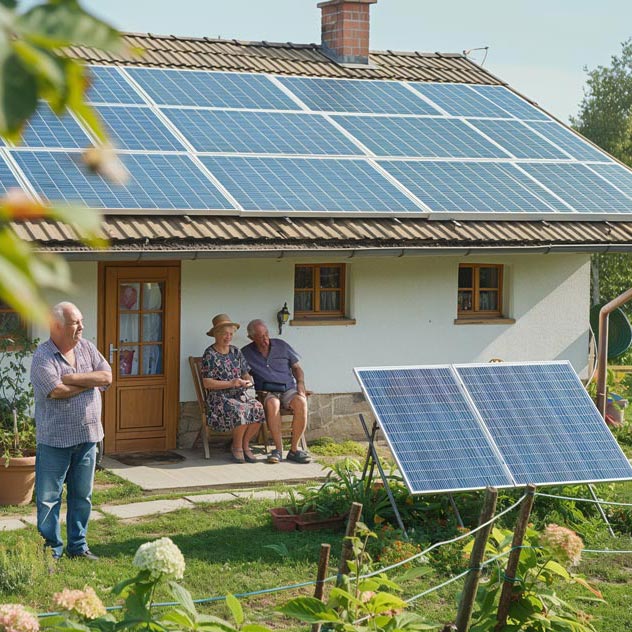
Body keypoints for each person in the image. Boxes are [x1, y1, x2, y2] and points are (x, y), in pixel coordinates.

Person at [30, 302, 112, 560]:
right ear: (56, 326)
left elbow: (107, 376)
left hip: (88, 437)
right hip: (55, 440)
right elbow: (56, 391)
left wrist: (73, 378)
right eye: (75, 322)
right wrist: (90, 382)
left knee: (82, 496)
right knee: (48, 499)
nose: (81, 327)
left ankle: (78, 547)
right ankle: (51, 550)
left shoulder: (87, 347)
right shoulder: (42, 356)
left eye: (81, 321)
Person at [242, 319, 311, 464]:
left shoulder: (282, 345)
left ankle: (294, 450)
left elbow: (297, 368)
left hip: (288, 388)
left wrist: (301, 383)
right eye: (260, 336)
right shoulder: (246, 353)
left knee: (301, 403)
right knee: (273, 405)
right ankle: (278, 450)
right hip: (267, 392)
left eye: (266, 334)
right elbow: (243, 374)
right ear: (251, 338)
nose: (265, 339)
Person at [201, 314, 264, 463]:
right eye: (224, 334)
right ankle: (237, 447)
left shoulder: (236, 352)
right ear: (216, 335)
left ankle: (245, 444)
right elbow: (207, 383)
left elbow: (245, 373)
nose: (228, 337)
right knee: (241, 410)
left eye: (230, 334)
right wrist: (231, 383)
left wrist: (247, 382)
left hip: (239, 395)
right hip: (219, 399)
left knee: (258, 407)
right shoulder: (210, 354)